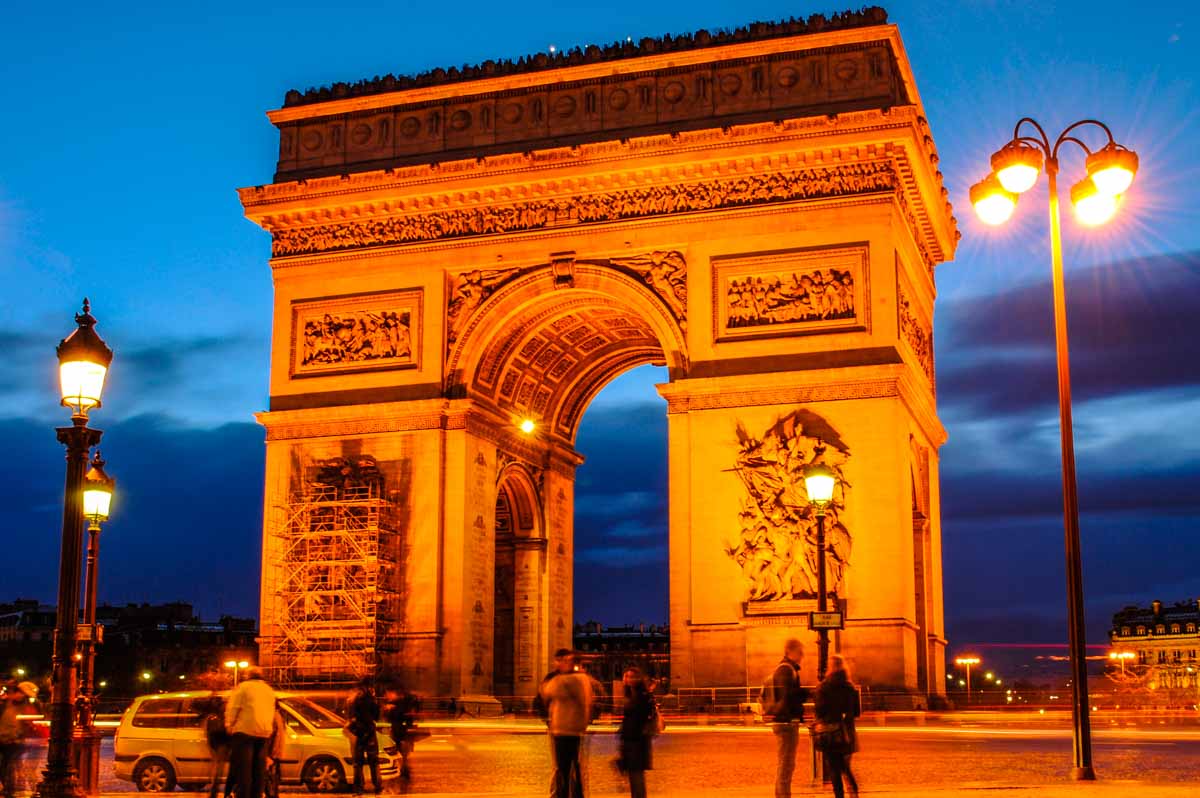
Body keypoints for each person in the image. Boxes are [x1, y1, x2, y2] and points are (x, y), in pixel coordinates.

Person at [538, 648, 594, 798]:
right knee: (566, 767)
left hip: (568, 730)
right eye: (561, 660)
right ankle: (565, 794)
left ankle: (565, 794)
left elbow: (548, 691)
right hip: (561, 729)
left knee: (567, 768)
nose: (562, 663)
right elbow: (543, 695)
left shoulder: (571, 679)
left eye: (565, 660)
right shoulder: (567, 678)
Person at [764, 639, 808, 798]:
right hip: (786, 722)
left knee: (786, 763)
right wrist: (805, 694)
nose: (803, 655)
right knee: (786, 764)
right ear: (790, 651)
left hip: (785, 720)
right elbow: (788, 696)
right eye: (800, 652)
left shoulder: (786, 669)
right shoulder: (786, 670)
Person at [225, 667, 276, 798]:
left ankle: (244, 794)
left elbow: (234, 707)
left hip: (245, 731)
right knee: (259, 769)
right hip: (264, 732)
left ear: (248, 675)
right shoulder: (268, 690)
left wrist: (229, 725)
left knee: (244, 769)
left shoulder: (243, 688)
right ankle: (257, 794)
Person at [814, 655, 861, 798]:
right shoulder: (850, 687)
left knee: (835, 769)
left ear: (830, 668)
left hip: (831, 733)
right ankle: (854, 792)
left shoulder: (824, 687)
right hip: (847, 733)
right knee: (845, 767)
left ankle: (840, 795)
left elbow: (820, 711)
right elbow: (857, 712)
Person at [617, 669, 654, 798]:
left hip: (637, 740)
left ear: (639, 678)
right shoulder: (631, 694)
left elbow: (641, 717)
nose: (629, 679)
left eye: (632, 677)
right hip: (630, 739)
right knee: (634, 775)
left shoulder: (642, 695)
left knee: (637, 775)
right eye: (627, 676)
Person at [0, 682, 37, 798]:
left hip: (14, 741)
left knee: (10, 765)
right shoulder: (5, 703)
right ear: (17, 692)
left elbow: (30, 721)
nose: (22, 697)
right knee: (7, 765)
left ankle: (8, 788)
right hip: (4, 739)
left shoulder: (26, 706)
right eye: (22, 694)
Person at [348, 678, 382, 794]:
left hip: (359, 732)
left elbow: (351, 717)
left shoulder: (354, 701)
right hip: (370, 732)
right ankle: (377, 787)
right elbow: (376, 717)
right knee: (374, 762)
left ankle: (358, 788)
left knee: (358, 763)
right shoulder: (372, 700)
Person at [383, 685, 419, 779]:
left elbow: (402, 717)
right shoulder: (398, 703)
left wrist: (391, 710)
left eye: (388, 693)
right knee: (401, 752)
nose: (386, 695)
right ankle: (403, 769)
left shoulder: (399, 704)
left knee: (400, 752)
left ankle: (403, 770)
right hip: (399, 730)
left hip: (400, 731)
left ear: (393, 693)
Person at [201, 697, 233, 798]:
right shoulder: (219, 717)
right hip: (222, 745)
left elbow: (209, 734)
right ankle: (218, 792)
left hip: (220, 746)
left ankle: (216, 792)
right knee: (221, 770)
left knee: (219, 770)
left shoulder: (212, 717)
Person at [264, 708, 287, 798]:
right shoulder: (278, 715)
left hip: (271, 755)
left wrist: (268, 755)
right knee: (272, 782)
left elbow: (271, 737)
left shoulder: (271, 715)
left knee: (269, 783)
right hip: (275, 755)